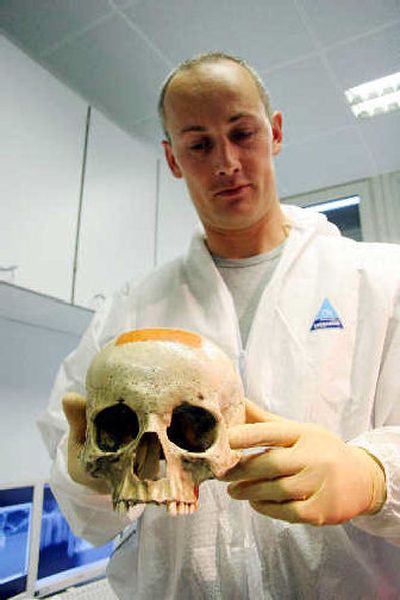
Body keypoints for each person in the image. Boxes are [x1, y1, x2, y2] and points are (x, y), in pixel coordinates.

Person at [38, 52, 400, 599]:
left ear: (274, 133)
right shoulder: (130, 311)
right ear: (173, 159)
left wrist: (374, 475)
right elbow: (85, 510)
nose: (226, 161)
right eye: (199, 144)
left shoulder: (381, 280)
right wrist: (87, 472)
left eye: (242, 132)